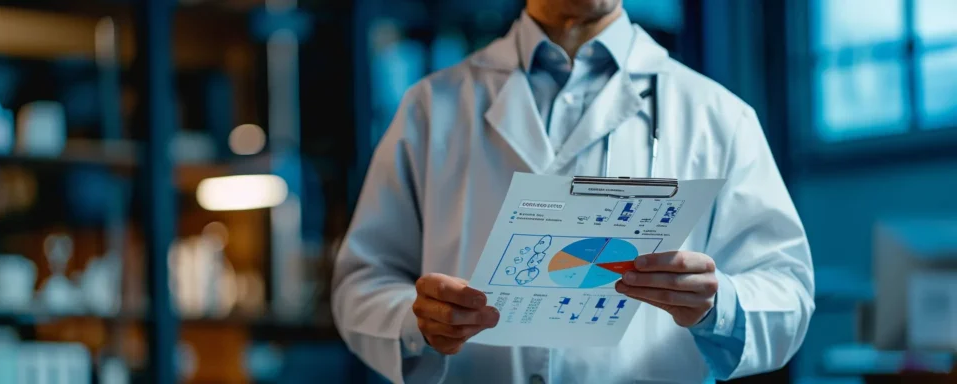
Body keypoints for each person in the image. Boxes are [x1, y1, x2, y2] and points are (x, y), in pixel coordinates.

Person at [331, 0, 815, 383]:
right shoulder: (431, 109)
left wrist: (717, 303)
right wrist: (416, 322)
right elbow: (362, 281)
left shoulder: (717, 115)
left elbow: (788, 291)